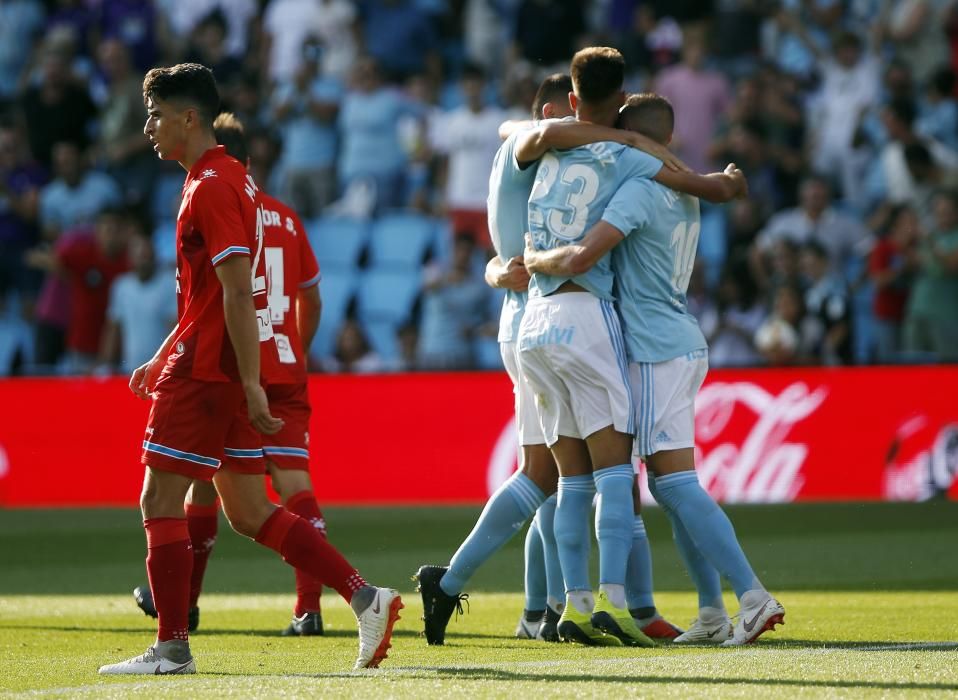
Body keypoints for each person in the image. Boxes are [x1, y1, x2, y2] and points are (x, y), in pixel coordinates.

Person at [98, 63, 401, 675]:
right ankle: (367, 599)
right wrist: (165, 352)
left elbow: (240, 295)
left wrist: (250, 383)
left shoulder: (209, 186)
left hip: (210, 373)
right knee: (246, 509)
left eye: (156, 116)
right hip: (219, 364)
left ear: (189, 118)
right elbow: (213, 295)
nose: (149, 128)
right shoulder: (230, 178)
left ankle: (172, 646)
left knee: (159, 494)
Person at [413, 69, 687, 647]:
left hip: (525, 320)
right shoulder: (545, 154)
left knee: (544, 477)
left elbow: (501, 255)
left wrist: (495, 269)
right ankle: (576, 606)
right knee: (584, 473)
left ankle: (532, 604)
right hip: (558, 311)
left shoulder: (526, 158)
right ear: (558, 116)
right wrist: (632, 143)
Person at [523, 92, 785, 646]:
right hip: (676, 339)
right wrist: (728, 182)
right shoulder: (678, 187)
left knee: (678, 484)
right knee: (668, 487)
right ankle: (713, 611)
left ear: (635, 138)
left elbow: (581, 257)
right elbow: (714, 187)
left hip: (657, 349)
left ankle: (754, 597)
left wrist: (535, 260)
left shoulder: (640, 189)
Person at [131, 112, 331, 638]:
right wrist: (299, 351)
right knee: (283, 489)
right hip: (283, 360)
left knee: (197, 490)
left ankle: (183, 610)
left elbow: (228, 295)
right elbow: (311, 294)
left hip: (235, 361)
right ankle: (322, 602)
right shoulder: (283, 215)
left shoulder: (221, 196)